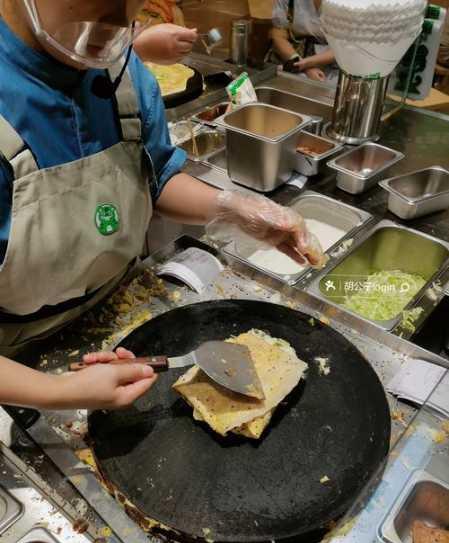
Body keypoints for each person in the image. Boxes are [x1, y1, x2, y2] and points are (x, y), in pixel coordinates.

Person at [0, 0, 325, 412]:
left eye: (131, 8)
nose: (119, 26)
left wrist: (234, 208)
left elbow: (154, 176)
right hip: (17, 361)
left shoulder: (121, 71)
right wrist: (58, 393)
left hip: (118, 314)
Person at [271, 0, 337, 82]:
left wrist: (306, 64)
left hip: (336, 66)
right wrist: (305, 66)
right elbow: (278, 36)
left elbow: (347, 47)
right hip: (294, 58)